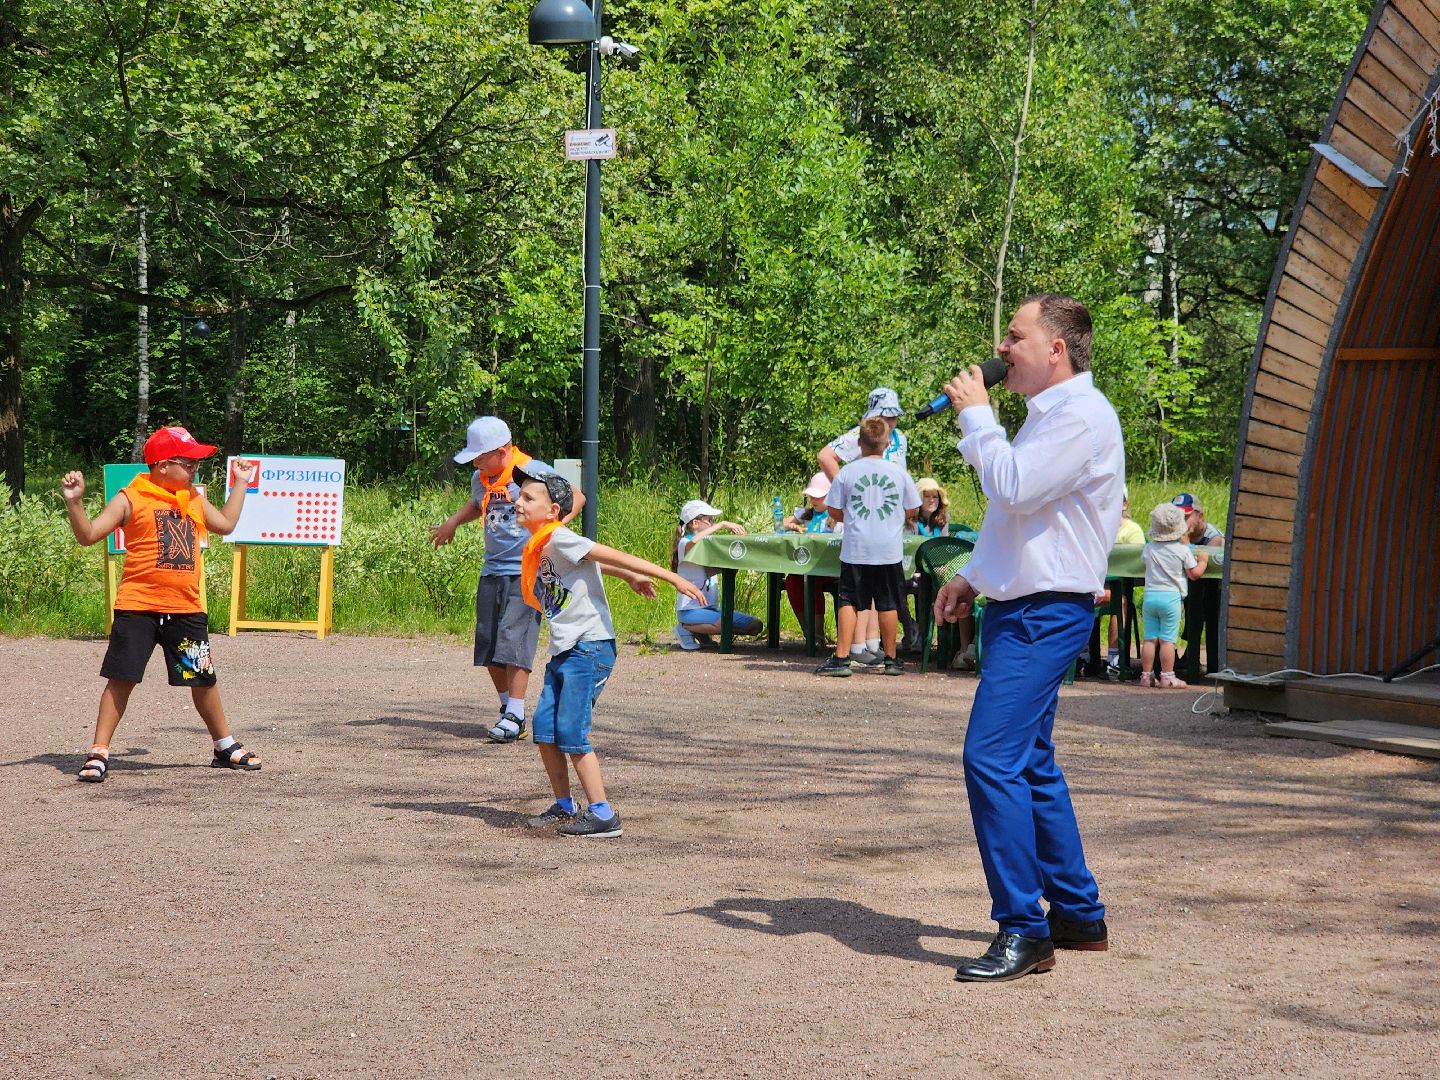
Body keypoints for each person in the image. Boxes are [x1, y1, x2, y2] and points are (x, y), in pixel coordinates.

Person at [934, 294, 1123, 982]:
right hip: (1024, 605)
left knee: (989, 757)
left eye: (1015, 336)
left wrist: (975, 415)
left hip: (1047, 612)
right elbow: (1020, 517)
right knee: (1030, 760)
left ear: (1057, 349)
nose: (1002, 348)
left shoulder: (1081, 416)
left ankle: (1024, 928)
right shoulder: (1051, 419)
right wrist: (974, 578)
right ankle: (1075, 913)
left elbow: (1010, 488)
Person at [513, 464, 706, 838]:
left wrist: (674, 577)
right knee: (545, 729)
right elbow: (589, 562)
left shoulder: (559, 537)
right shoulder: (544, 544)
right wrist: (629, 578)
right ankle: (564, 806)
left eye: (528, 497)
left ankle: (603, 814)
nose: (518, 501)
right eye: (520, 496)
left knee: (571, 731)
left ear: (552, 511)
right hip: (566, 648)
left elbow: (610, 553)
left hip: (589, 647)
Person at [60, 426, 261, 782]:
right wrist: (75, 502)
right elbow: (88, 535)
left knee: (202, 679)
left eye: (196, 464)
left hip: (185, 608)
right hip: (138, 606)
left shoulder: (193, 499)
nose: (195, 470)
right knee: (121, 678)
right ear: (163, 465)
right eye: (189, 463)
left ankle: (224, 745)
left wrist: (242, 483)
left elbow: (226, 525)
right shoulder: (130, 497)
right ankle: (99, 752)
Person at [431, 416, 583, 744]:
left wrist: (553, 528)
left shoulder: (533, 471)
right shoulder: (480, 478)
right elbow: (476, 505)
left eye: (481, 456)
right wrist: (453, 522)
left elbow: (577, 498)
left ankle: (515, 713)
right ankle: (507, 708)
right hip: (492, 569)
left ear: (502, 452)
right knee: (488, 644)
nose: (475, 462)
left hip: (526, 569)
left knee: (515, 638)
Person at [814, 417, 920, 677]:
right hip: (888, 549)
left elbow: (834, 510)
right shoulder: (899, 473)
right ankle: (892, 659)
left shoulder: (848, 472)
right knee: (889, 602)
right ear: (886, 444)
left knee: (849, 600)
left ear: (859, 443)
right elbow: (912, 509)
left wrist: (853, 517)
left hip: (856, 548)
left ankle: (841, 658)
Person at [670, 499, 764, 649]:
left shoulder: (706, 545)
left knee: (755, 625)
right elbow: (692, 543)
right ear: (695, 523)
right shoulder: (684, 543)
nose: (713, 524)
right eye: (710, 520)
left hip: (710, 609)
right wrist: (723, 524)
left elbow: (711, 570)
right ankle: (686, 627)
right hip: (690, 610)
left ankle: (702, 633)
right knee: (724, 623)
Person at [1137, 503, 1209, 688]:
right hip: (1171, 598)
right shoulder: (1182, 550)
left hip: (1150, 596)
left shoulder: (1149, 549)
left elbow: (1144, 564)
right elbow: (1194, 574)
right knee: (1167, 640)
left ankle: (1146, 675)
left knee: (1150, 639)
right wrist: (1203, 561)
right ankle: (1168, 676)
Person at [1170, 492, 1223, 676]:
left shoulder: (1213, 537)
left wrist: (1183, 543)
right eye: (1176, 517)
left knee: (1198, 605)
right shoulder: (1175, 535)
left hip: (1212, 593)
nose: (1181, 522)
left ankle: (1197, 658)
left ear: (1200, 516)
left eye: (1185, 517)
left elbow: (1208, 562)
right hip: (1186, 589)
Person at [782, 473, 838, 639]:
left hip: (834, 568)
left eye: (819, 497)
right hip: (810, 566)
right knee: (793, 581)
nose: (814, 501)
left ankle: (818, 632)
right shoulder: (806, 514)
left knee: (810, 580)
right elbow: (782, 524)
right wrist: (793, 526)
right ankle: (809, 632)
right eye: (812, 496)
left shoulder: (838, 516)